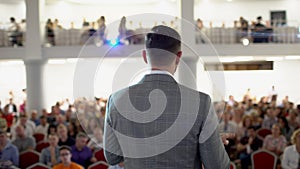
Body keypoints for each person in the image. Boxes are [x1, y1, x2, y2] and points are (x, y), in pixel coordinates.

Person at [104, 25, 230, 169]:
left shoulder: (116, 100)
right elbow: (218, 165)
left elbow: (112, 157)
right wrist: (212, 143)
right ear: (178, 57)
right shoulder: (201, 103)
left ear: (145, 56)